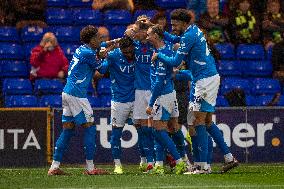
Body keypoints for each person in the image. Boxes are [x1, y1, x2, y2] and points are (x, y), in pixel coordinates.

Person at [152, 9, 238, 174]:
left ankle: (203, 166)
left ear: (184, 23)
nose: (173, 27)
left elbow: (176, 61)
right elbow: (176, 38)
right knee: (204, 122)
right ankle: (228, 157)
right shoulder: (193, 30)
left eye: (175, 24)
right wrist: (156, 29)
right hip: (208, 77)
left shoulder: (189, 36)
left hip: (204, 80)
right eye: (172, 24)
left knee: (197, 122)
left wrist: (159, 56)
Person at [48, 25, 108, 176]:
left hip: (67, 92)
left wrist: (107, 47)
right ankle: (90, 168)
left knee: (68, 129)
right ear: (92, 39)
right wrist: (110, 57)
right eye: (98, 38)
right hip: (77, 94)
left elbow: (99, 50)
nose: (100, 40)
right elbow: (102, 69)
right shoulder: (89, 53)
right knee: (90, 127)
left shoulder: (82, 49)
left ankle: (54, 167)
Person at [146, 24, 187, 175]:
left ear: (156, 36)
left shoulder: (160, 55)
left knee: (158, 130)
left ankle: (179, 161)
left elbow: (159, 82)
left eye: (149, 34)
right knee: (173, 128)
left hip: (162, 95)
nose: (147, 36)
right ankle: (164, 163)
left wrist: (151, 103)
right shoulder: (166, 47)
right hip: (171, 93)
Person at [97, 37, 135, 174]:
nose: (130, 54)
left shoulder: (138, 51)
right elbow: (101, 70)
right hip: (119, 101)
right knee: (116, 134)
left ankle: (145, 162)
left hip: (137, 99)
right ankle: (118, 165)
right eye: (126, 53)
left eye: (131, 51)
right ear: (120, 50)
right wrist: (103, 56)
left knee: (145, 131)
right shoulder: (113, 56)